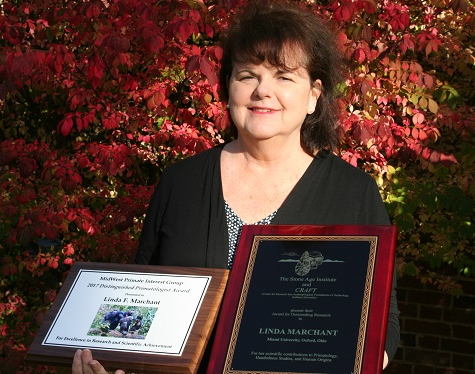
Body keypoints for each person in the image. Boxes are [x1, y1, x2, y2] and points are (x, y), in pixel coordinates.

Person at [73, 1, 400, 372]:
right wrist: (113, 358)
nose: (263, 91)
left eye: (284, 76)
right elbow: (142, 302)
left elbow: (382, 324)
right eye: (247, 76)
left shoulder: (353, 192)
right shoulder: (181, 183)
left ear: (313, 96)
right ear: (228, 88)